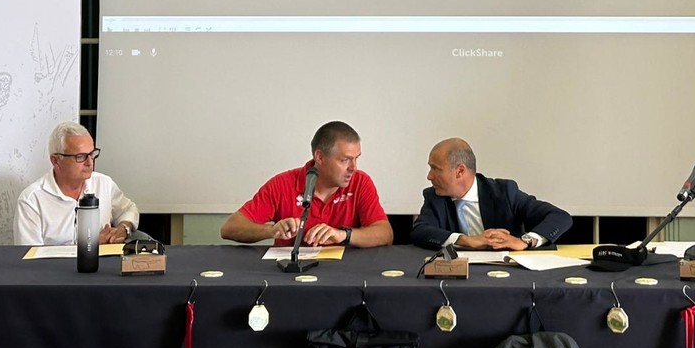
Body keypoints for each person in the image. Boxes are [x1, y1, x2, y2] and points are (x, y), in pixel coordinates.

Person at [221, 121, 392, 247]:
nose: (353, 168)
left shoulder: (360, 182)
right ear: (320, 157)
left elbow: (385, 234)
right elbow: (230, 228)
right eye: (344, 160)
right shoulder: (282, 184)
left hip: (344, 273)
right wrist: (271, 231)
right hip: (290, 276)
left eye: (356, 159)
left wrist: (343, 235)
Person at [411, 138, 572, 251]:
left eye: (435, 169)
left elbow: (560, 217)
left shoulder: (504, 192)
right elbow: (420, 231)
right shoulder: (435, 197)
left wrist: (525, 241)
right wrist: (466, 240)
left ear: (460, 171)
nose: (429, 176)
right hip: (457, 277)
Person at [13, 121, 139, 246]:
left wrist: (124, 228)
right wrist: (89, 245)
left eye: (92, 154)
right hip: (55, 261)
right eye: (80, 156)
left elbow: (129, 209)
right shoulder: (31, 201)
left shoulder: (104, 183)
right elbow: (30, 254)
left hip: (105, 259)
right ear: (56, 161)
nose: (90, 162)